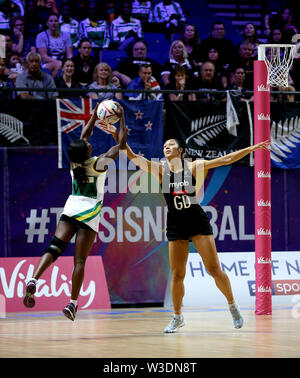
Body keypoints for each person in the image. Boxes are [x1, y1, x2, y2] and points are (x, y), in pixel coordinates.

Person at [100, 123, 270, 333]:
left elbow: (225, 159)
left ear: (180, 150)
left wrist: (251, 149)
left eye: (171, 144)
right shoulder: (160, 170)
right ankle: (177, 317)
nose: (166, 147)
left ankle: (233, 306)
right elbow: (134, 157)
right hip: (175, 223)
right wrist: (118, 135)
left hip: (196, 221)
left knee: (214, 270)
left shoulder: (195, 166)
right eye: (164, 146)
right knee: (177, 274)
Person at [23, 101, 127, 321]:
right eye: (87, 145)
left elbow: (83, 136)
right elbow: (121, 146)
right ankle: (72, 303)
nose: (88, 144)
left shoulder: (74, 163)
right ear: (87, 151)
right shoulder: (99, 163)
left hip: (71, 208)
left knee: (54, 247)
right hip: (89, 213)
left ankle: (34, 278)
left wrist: (93, 116)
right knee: (79, 262)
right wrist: (122, 119)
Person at [36, 12, 73, 78]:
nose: (54, 23)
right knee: (57, 66)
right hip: (47, 63)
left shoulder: (66, 35)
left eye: (56, 21)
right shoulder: (41, 36)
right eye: (51, 21)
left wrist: (66, 64)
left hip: (62, 62)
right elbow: (44, 57)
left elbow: (69, 55)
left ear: (59, 23)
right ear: (47, 23)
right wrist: (59, 63)